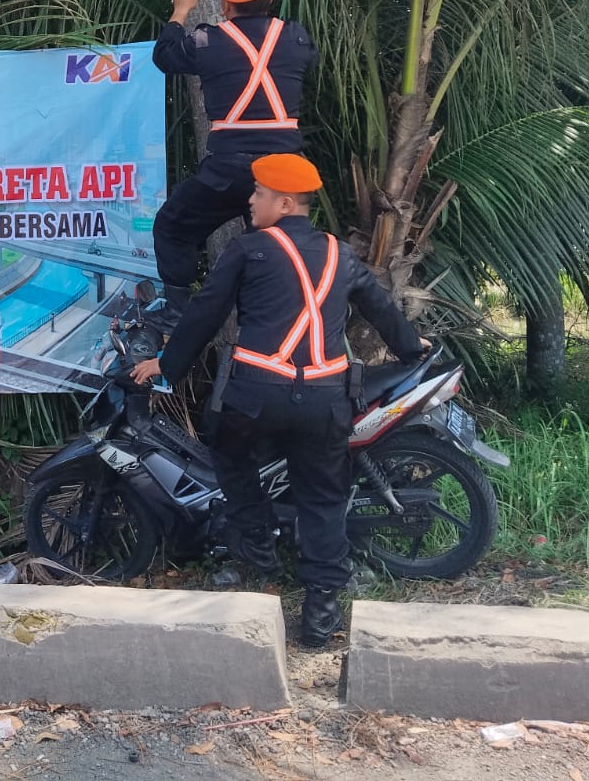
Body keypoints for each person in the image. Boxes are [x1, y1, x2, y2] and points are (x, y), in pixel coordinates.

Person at [130, 153, 428, 647]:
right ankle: (319, 614)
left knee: (229, 458)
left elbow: (206, 313)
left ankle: (257, 550)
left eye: (259, 194)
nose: (250, 201)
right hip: (324, 400)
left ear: (284, 202)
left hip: (254, 398)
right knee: (324, 499)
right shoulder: (340, 254)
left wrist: (167, 364)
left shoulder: (248, 251)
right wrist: (412, 349)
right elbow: (382, 310)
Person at [151, 0, 319, 322]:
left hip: (228, 170)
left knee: (173, 226)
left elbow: (165, 56)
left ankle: (177, 312)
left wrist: (180, 11)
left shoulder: (208, 41)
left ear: (226, 5)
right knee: (274, 247)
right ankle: (277, 316)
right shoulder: (295, 37)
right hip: (283, 173)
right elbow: (308, 61)